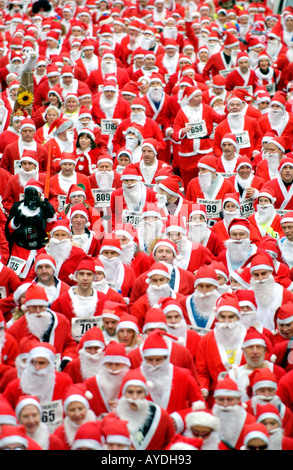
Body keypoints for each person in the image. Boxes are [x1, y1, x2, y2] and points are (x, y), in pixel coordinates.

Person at [3, 341, 73, 430]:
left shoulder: (64, 381)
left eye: (42, 363)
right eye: (33, 362)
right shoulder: (15, 386)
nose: (36, 367)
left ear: (51, 364)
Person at [7, 283, 78, 371]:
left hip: (58, 371)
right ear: (27, 307)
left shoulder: (61, 321)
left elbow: (70, 344)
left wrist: (67, 359)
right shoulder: (16, 328)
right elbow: (10, 353)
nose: (38, 311)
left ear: (46, 306)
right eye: (34, 307)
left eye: (41, 307)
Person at [196, 293, 247, 407]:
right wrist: (203, 388)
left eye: (231, 317)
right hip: (217, 399)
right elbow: (202, 372)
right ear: (217, 317)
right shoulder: (206, 340)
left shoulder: (249, 337)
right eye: (222, 317)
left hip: (244, 397)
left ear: (238, 317)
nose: (226, 322)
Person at [137, 329, 203, 414]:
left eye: (158, 360)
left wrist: (180, 418)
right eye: (150, 360)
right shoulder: (135, 377)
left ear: (166, 358)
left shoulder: (183, 376)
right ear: (144, 359)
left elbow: (200, 406)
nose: (154, 364)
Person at [172, 85, 223, 189]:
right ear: (189, 98)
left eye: (200, 96)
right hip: (188, 153)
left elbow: (220, 119)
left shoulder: (207, 109)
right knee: (188, 181)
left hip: (206, 149)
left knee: (208, 177)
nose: (200, 98)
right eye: (197, 96)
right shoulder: (182, 112)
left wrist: (227, 110)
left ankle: (206, 200)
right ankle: (191, 203)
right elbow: (175, 134)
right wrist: (183, 131)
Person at [5, 178, 56, 281]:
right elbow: (9, 230)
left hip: (39, 249)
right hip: (19, 250)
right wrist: (16, 220)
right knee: (16, 279)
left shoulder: (44, 207)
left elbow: (52, 228)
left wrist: (50, 215)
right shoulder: (18, 207)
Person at [115, 368, 175, 450]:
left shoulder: (161, 415)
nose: (134, 397)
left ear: (146, 394)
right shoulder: (114, 417)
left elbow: (171, 442)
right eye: (130, 392)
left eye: (139, 392)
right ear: (124, 393)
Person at [50, 257, 107, 343]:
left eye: (89, 274)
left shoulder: (103, 300)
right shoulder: (61, 301)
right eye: (81, 274)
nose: (85, 278)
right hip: (71, 349)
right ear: (75, 276)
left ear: (94, 277)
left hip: (96, 349)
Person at [228, 327, 286, 402]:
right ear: (243, 351)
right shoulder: (234, 375)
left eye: (259, 347)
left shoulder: (278, 372)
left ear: (265, 350)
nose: (255, 352)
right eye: (250, 347)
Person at [130, 262, 183, 332]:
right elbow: (137, 328)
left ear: (168, 280)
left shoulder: (180, 299)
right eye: (155, 281)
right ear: (149, 281)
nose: (158, 284)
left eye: (161, 280)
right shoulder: (139, 305)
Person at [83, 341, 131, 418]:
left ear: (125, 365)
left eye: (118, 365)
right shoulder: (90, 383)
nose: (113, 369)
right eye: (109, 364)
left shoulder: (132, 383)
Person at [248, 252, 293, 331]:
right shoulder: (247, 295)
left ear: (270, 273)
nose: (260, 278)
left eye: (264, 274)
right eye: (256, 275)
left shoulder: (284, 294)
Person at [185, 154, 234, 226]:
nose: (200, 173)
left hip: (219, 225)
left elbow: (235, 204)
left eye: (204, 169)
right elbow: (186, 204)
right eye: (199, 169)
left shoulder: (227, 184)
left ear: (212, 170)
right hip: (197, 224)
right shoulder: (193, 183)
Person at [212, 376, 257, 450]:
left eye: (230, 400)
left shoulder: (250, 421)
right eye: (221, 399)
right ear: (215, 399)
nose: (225, 404)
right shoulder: (207, 421)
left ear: (238, 400)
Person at [53, 383, 97, 450]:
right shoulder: (59, 433)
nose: (77, 414)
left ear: (87, 409)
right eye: (72, 410)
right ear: (66, 412)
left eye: (80, 409)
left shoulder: (98, 428)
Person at [179, 265, 220, 332]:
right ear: (195, 286)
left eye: (208, 286)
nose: (204, 291)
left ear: (215, 287)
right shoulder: (183, 303)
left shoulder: (223, 303)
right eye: (200, 286)